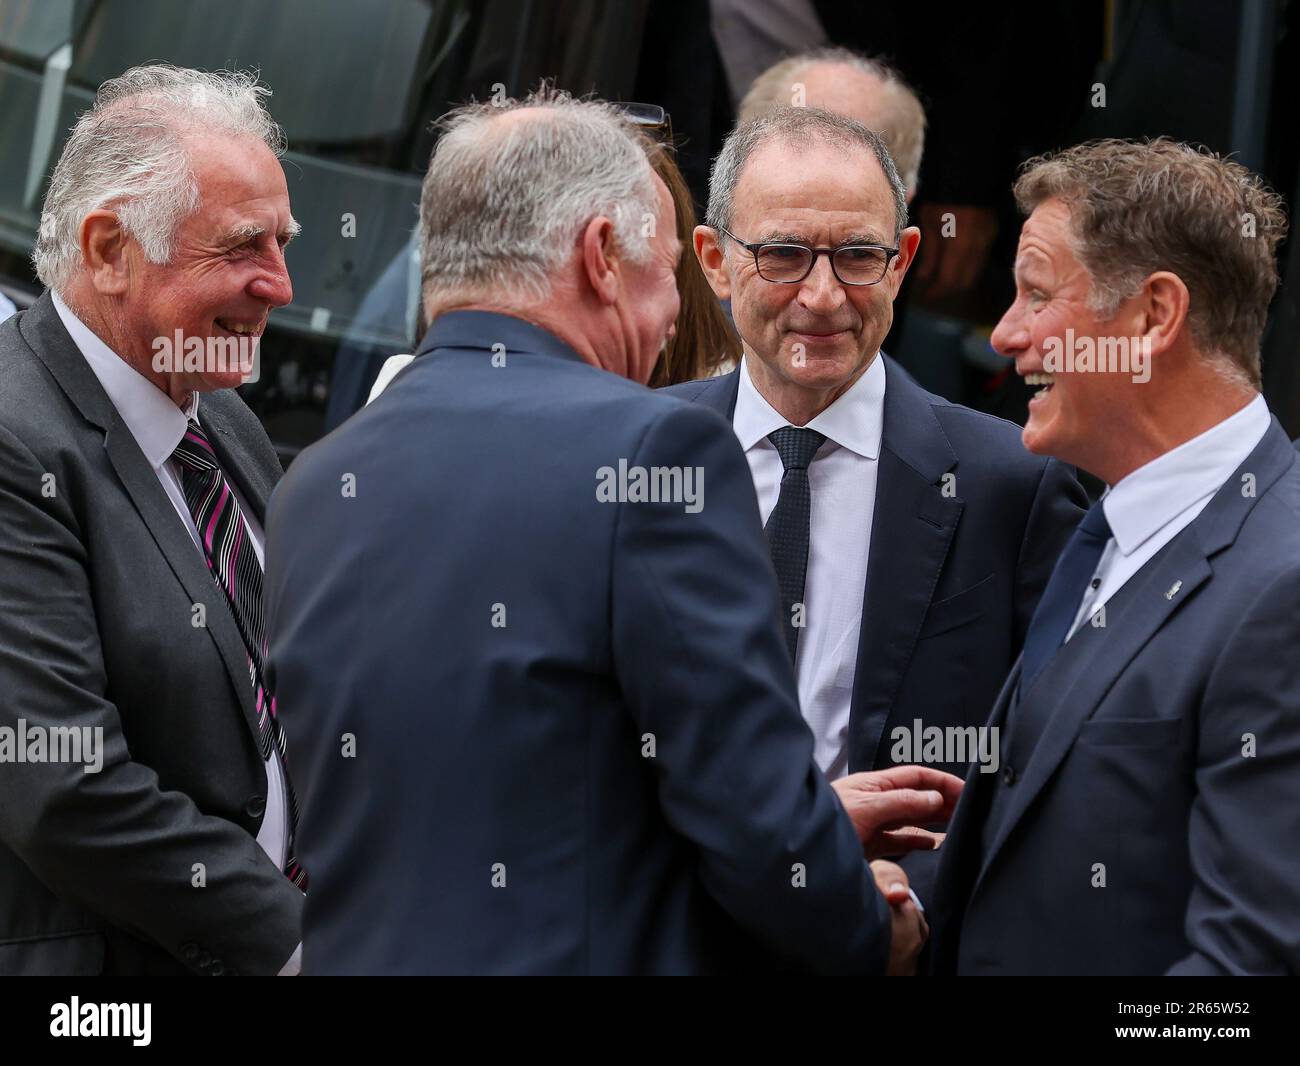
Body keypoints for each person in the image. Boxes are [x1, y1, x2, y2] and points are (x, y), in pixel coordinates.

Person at [264, 90, 962, 975]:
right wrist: (871, 925)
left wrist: (812, 821)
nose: (676, 313)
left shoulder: (314, 481)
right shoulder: (655, 448)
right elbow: (749, 815)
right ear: (601, 257)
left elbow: (513, 781)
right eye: (668, 268)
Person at [662, 107, 1086, 909]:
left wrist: (907, 904)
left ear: (903, 263)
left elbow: (1050, 773)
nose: (823, 296)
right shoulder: (636, 460)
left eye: (858, 255)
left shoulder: (1012, 487)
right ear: (715, 262)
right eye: (784, 255)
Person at [929, 139, 1300, 975]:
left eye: (1035, 294)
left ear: (1151, 317)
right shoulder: (1103, 528)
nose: (1004, 335)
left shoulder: (1284, 585)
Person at [0, 65, 304, 975]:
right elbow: (64, 784)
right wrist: (303, 945)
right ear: (108, 249)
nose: (281, 286)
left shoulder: (225, 421)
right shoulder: (15, 442)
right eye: (244, 247)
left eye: (284, 243)